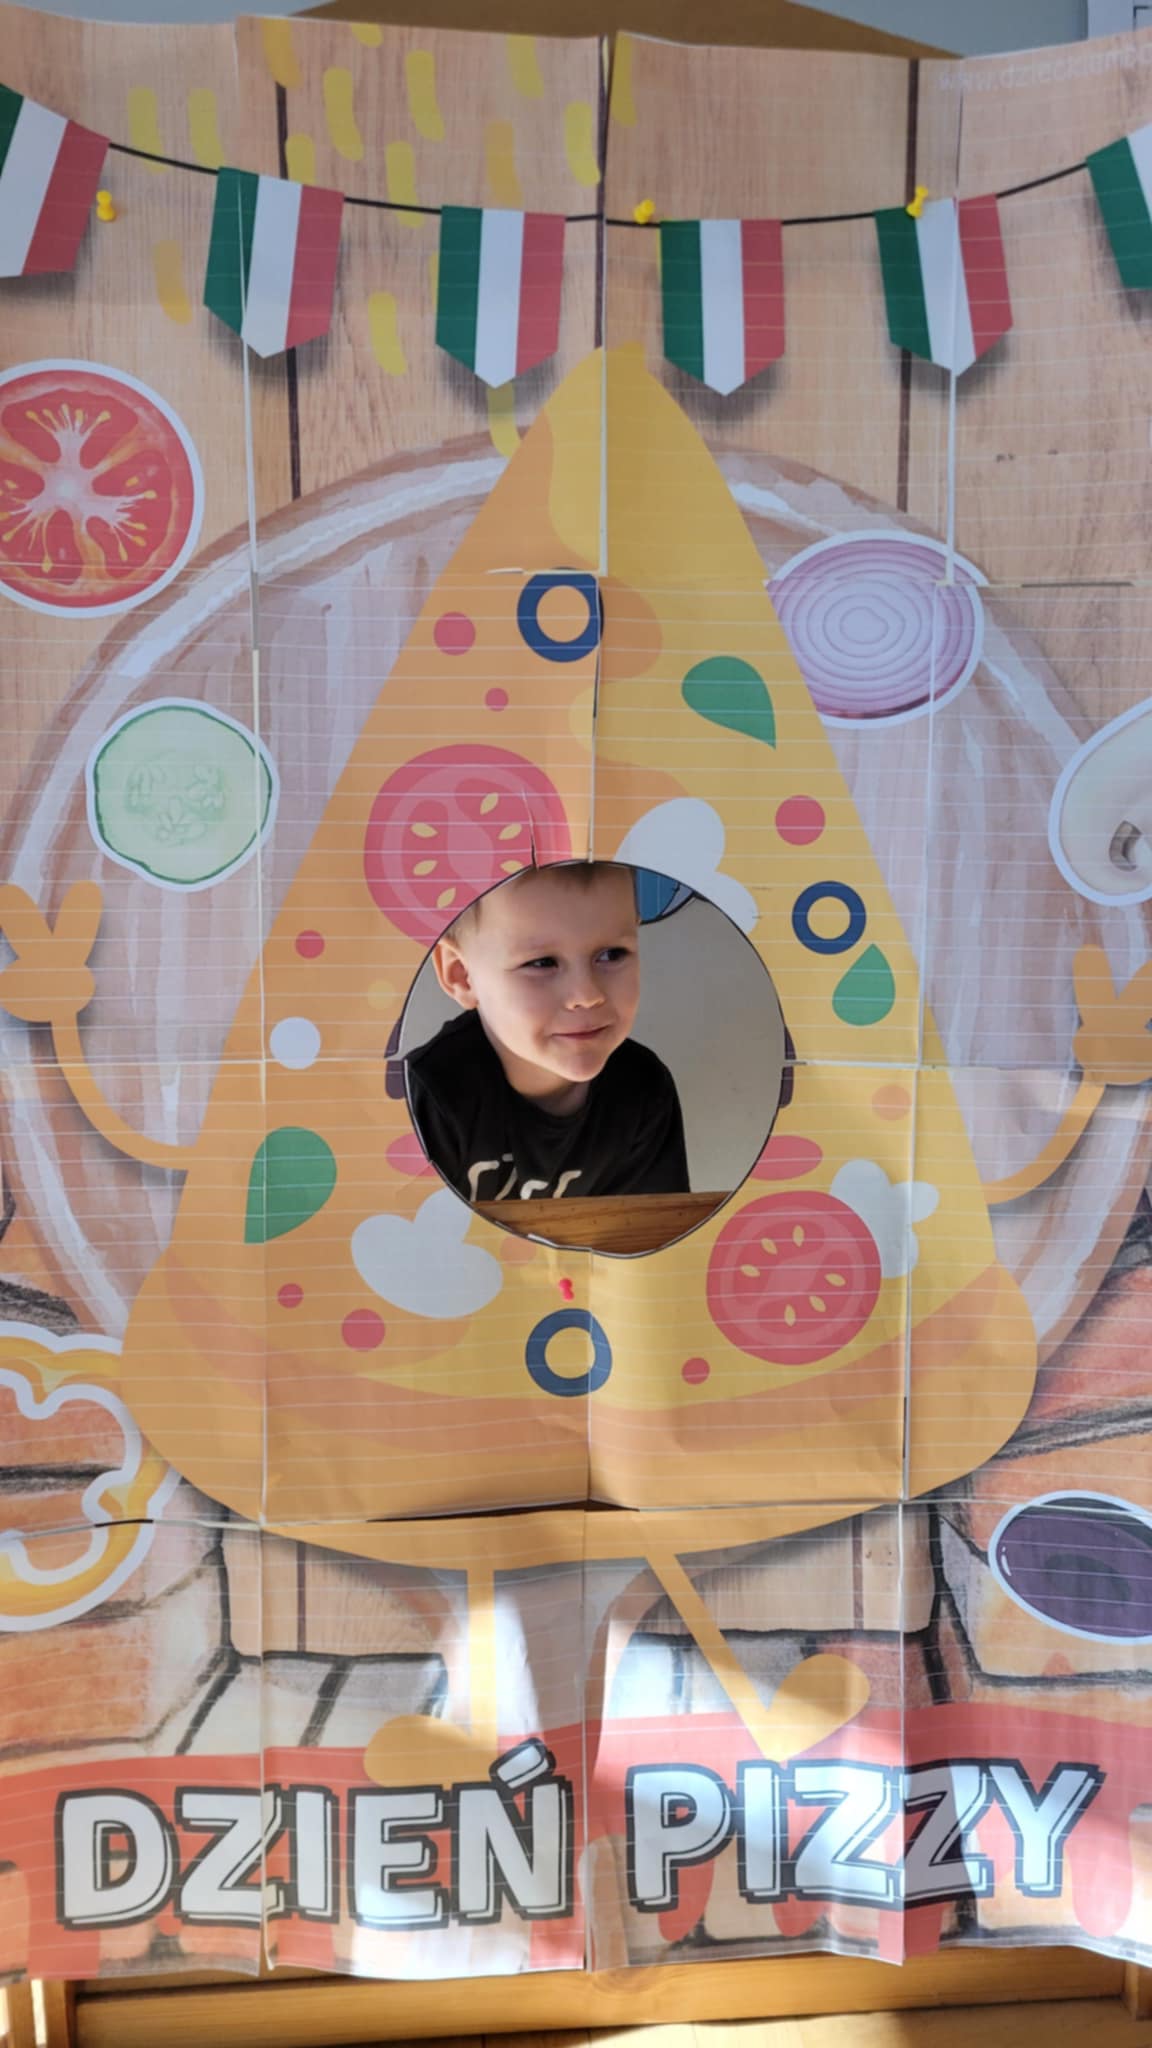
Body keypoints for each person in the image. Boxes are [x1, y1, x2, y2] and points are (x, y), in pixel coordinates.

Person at [405, 861, 690, 1205]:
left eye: (612, 954)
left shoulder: (644, 1090)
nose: (587, 995)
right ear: (462, 975)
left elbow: (652, 1229)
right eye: (542, 963)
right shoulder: (426, 1101)